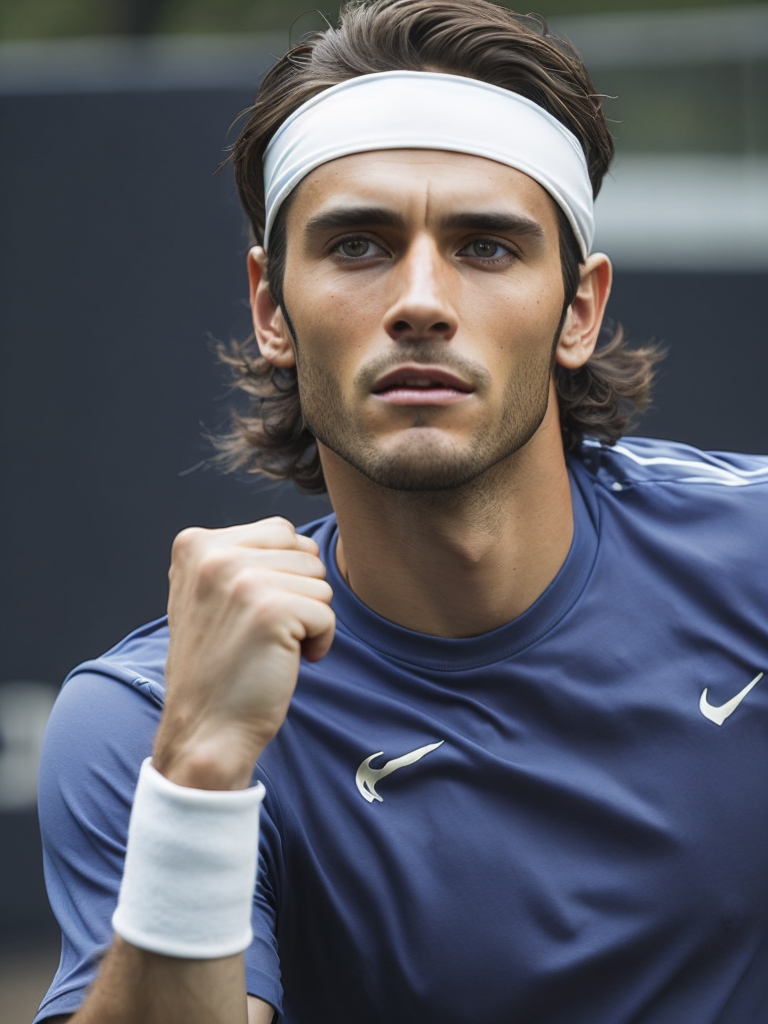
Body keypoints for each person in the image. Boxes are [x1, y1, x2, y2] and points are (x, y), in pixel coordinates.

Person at [35, 1, 768, 1022]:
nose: (420, 298)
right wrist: (200, 770)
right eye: (358, 245)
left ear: (580, 309)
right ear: (269, 307)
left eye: (487, 247)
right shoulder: (144, 725)